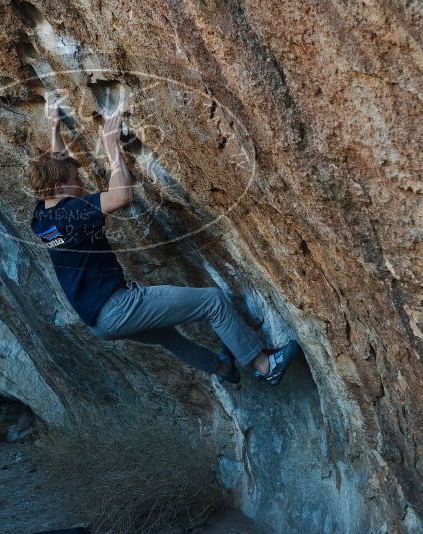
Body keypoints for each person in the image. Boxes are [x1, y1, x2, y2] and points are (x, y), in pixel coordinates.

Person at [28, 101, 300, 385]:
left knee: (168, 337)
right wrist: (111, 146)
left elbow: (56, 165)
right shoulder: (73, 212)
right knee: (213, 302)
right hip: (118, 307)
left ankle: (221, 368)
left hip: (98, 322)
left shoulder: (42, 215)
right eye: (76, 180)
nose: (81, 183)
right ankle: (265, 365)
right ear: (60, 188)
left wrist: (54, 126)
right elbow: (120, 196)